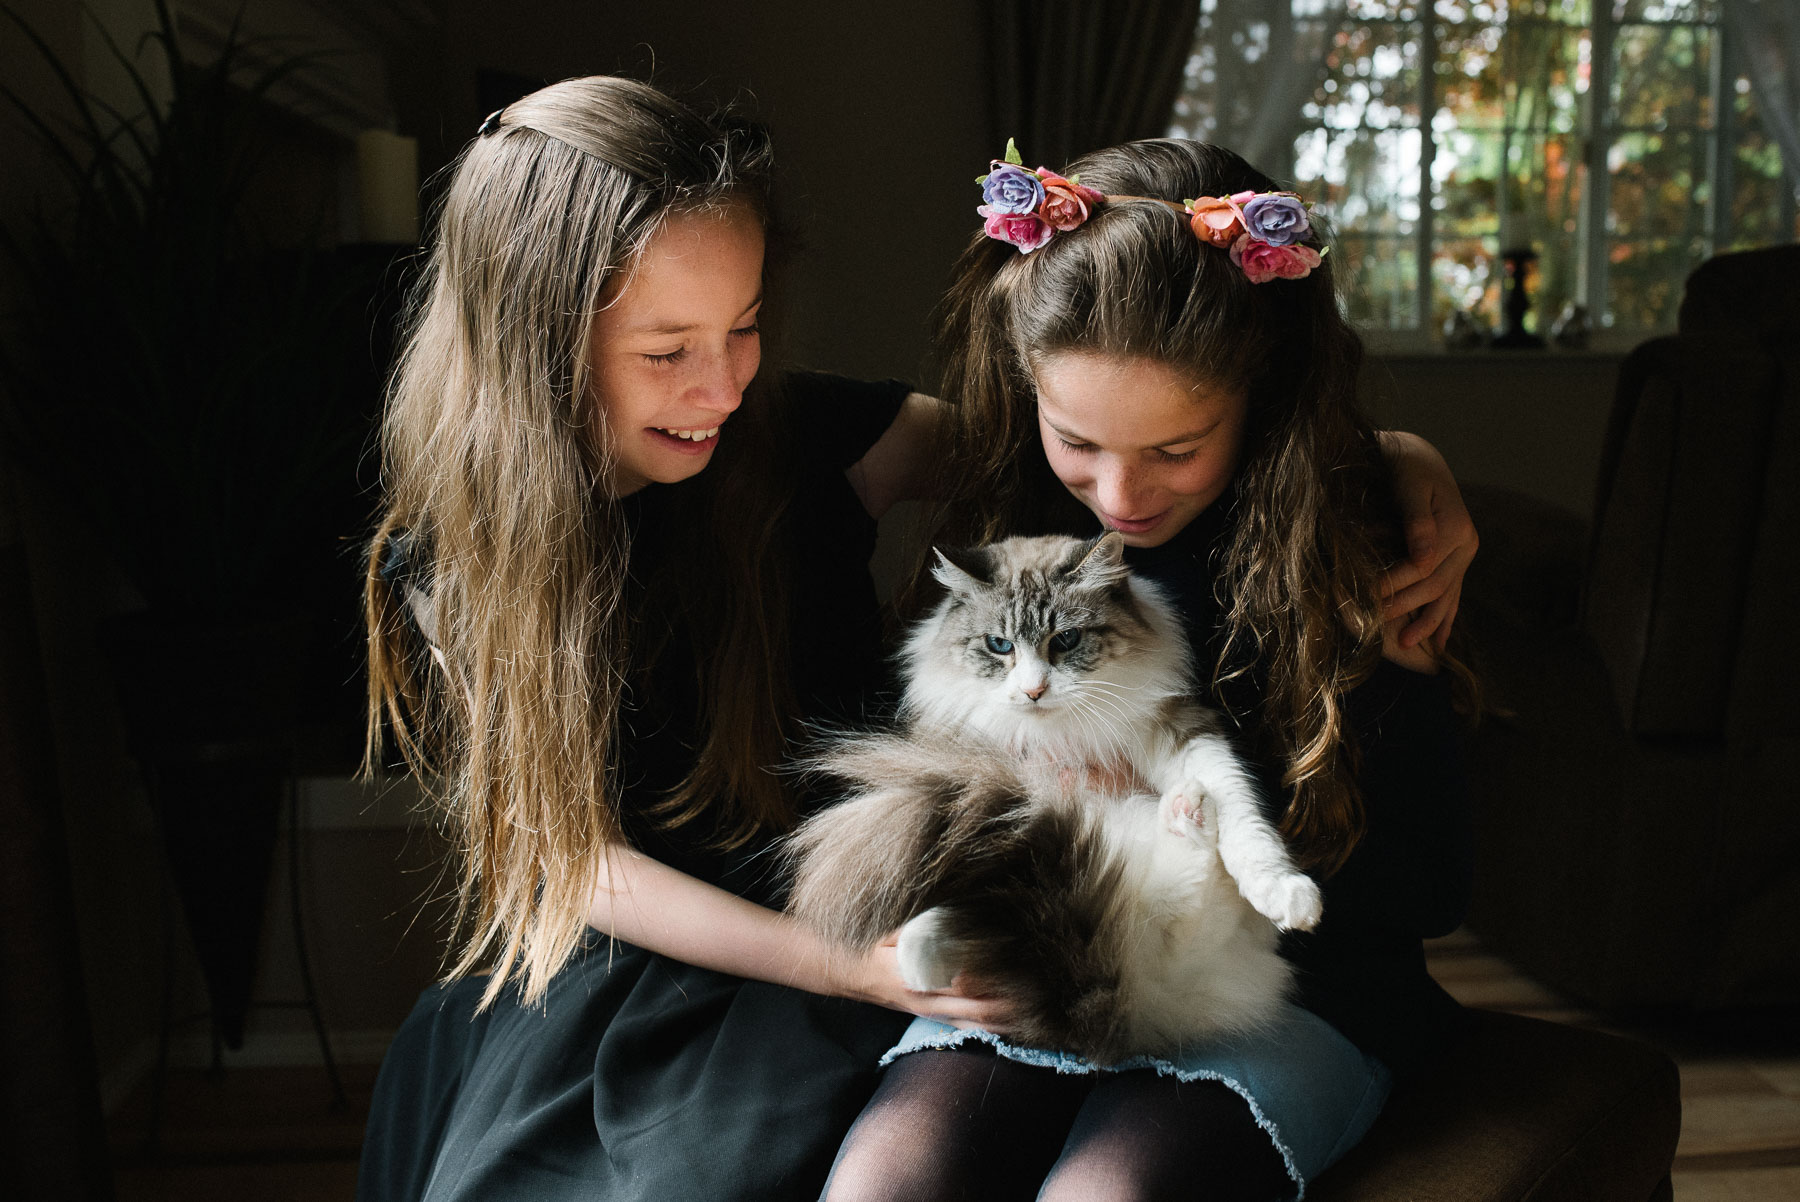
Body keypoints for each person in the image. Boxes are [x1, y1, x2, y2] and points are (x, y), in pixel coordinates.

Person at [356, 78, 1475, 1202]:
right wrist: (860, 966)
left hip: (973, 917)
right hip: (763, 944)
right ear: (533, 342)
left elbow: (1135, 433)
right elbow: (562, 860)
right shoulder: (460, 564)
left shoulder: (815, 437)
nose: (722, 384)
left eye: (745, 328)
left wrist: (1389, 462)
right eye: (666, 352)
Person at [821, 140, 1477, 1202]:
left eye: (1177, 449)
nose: (1119, 493)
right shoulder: (1010, 510)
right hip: (1050, 956)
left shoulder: (1364, 558)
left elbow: (1434, 880)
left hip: (1289, 992)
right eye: (1076, 438)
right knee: (890, 1180)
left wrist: (1196, 836)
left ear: (1260, 399)